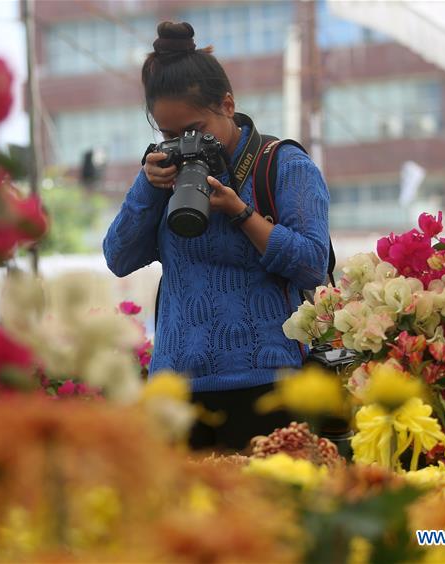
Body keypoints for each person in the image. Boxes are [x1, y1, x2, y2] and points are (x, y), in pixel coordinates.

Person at [102, 21, 331, 452]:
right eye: (169, 135)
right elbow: (118, 257)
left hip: (267, 383)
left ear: (228, 104)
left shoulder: (283, 166)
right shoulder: (164, 175)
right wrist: (147, 186)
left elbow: (312, 266)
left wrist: (241, 213)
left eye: (194, 129)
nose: (184, 143)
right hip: (175, 389)